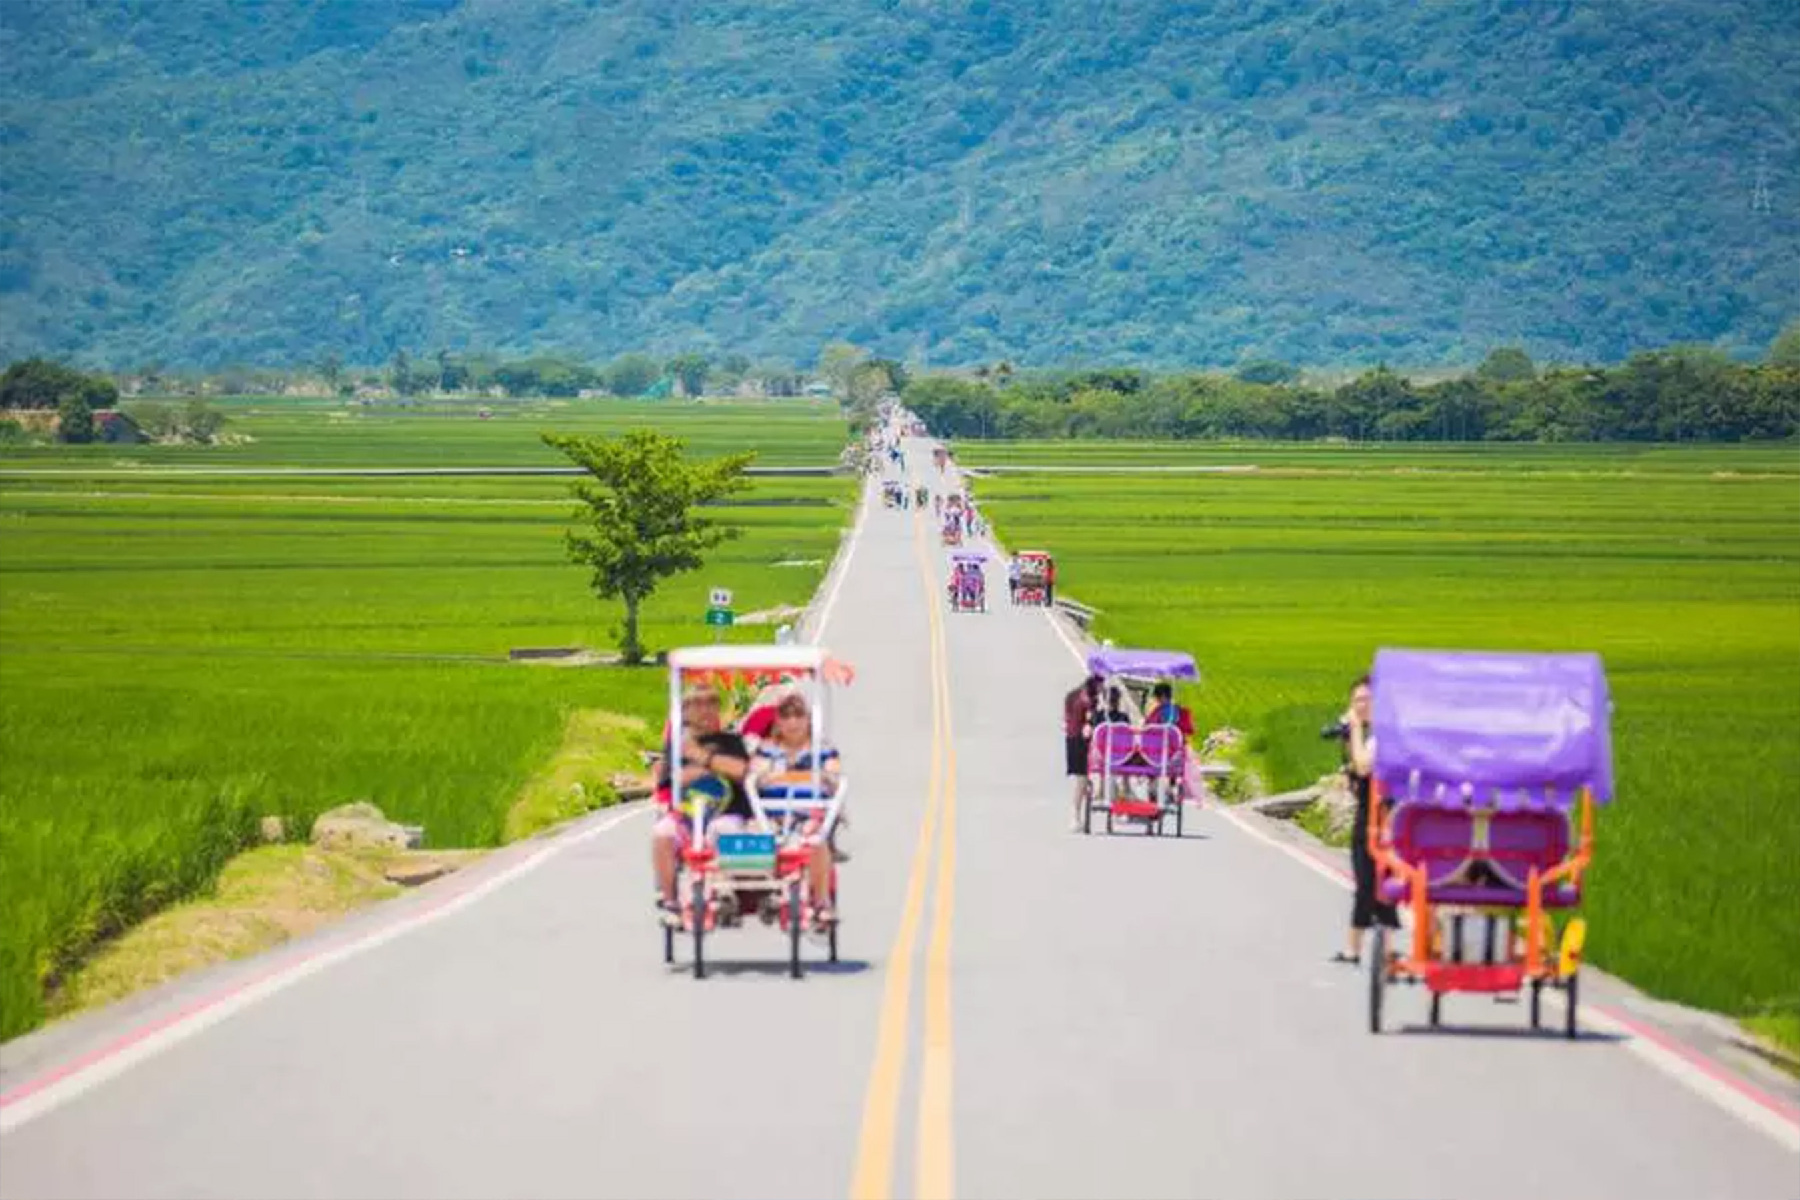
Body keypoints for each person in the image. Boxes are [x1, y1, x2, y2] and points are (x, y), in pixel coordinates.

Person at [652, 686, 753, 925]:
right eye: (697, 703)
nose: (705, 709)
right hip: (687, 816)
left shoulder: (731, 742)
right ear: (685, 711)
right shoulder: (676, 748)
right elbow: (673, 779)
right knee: (663, 832)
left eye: (711, 702)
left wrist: (703, 759)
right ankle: (671, 902)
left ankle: (725, 891)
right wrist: (712, 767)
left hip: (726, 813)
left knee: (725, 830)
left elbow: (742, 772)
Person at [751, 692, 842, 927]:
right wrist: (768, 776)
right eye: (786, 716)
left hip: (808, 813)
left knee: (816, 839)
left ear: (808, 719)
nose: (793, 722)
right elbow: (756, 777)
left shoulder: (822, 750)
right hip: (771, 815)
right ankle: (765, 889)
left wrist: (822, 777)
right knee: (751, 835)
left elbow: (833, 776)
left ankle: (821, 903)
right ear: (778, 722)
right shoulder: (767, 749)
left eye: (798, 715)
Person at [1334, 675, 1399, 964]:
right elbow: (1354, 768)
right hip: (1368, 812)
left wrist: (1356, 729)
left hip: (1385, 817)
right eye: (1356, 700)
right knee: (1366, 880)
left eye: (1366, 699)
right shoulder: (1371, 736)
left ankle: (1362, 948)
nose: (1361, 705)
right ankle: (1363, 946)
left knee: (1376, 882)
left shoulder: (1383, 737)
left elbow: (1363, 766)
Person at [1063, 674, 1103, 831]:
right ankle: (1075, 816)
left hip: (1071, 738)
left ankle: (1078, 813)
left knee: (1082, 780)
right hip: (1081, 741)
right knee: (1082, 780)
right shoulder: (1088, 701)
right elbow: (1089, 724)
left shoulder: (1072, 695)